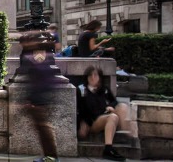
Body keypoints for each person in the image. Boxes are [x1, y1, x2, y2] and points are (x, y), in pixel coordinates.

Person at [16, 28, 65, 162]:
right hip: (41, 97)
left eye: (24, 43)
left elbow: (40, 78)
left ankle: (51, 157)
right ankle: (50, 157)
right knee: (44, 130)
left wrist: (31, 99)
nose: (24, 46)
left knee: (44, 130)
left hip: (40, 99)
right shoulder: (42, 54)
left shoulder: (34, 56)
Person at [77, 67, 130, 161]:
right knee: (113, 117)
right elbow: (80, 109)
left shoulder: (103, 89)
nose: (93, 77)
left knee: (122, 106)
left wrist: (110, 106)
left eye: (95, 75)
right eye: (90, 75)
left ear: (99, 77)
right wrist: (83, 122)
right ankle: (108, 149)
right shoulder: (82, 90)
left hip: (105, 116)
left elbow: (114, 101)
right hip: (92, 122)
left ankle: (126, 136)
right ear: (86, 77)